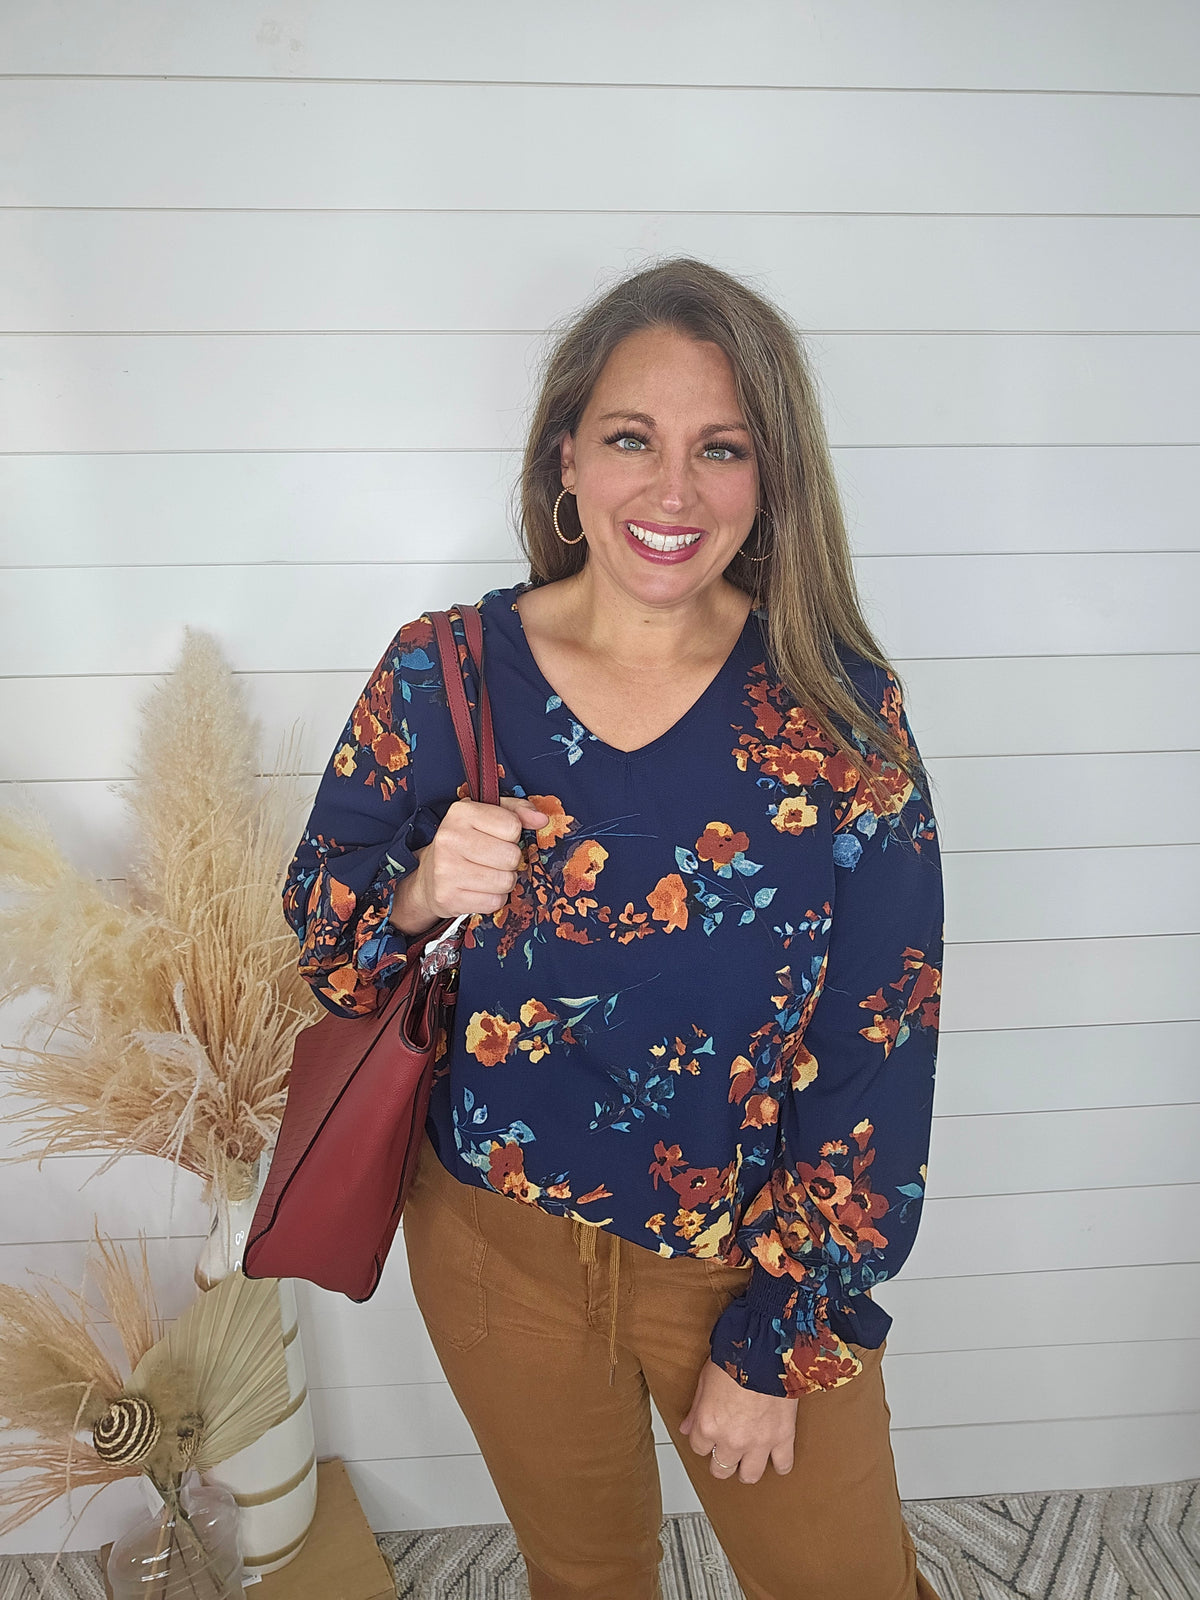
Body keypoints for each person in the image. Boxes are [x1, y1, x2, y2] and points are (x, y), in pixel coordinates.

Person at [282, 258, 946, 1600]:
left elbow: (878, 1044)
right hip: (492, 1247)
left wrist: (780, 1335)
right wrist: (418, 891)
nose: (674, 491)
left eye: (723, 450)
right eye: (633, 439)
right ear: (565, 457)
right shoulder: (446, 671)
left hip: (742, 1259)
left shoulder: (834, 713)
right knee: (585, 1579)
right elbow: (329, 946)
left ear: (770, 483)